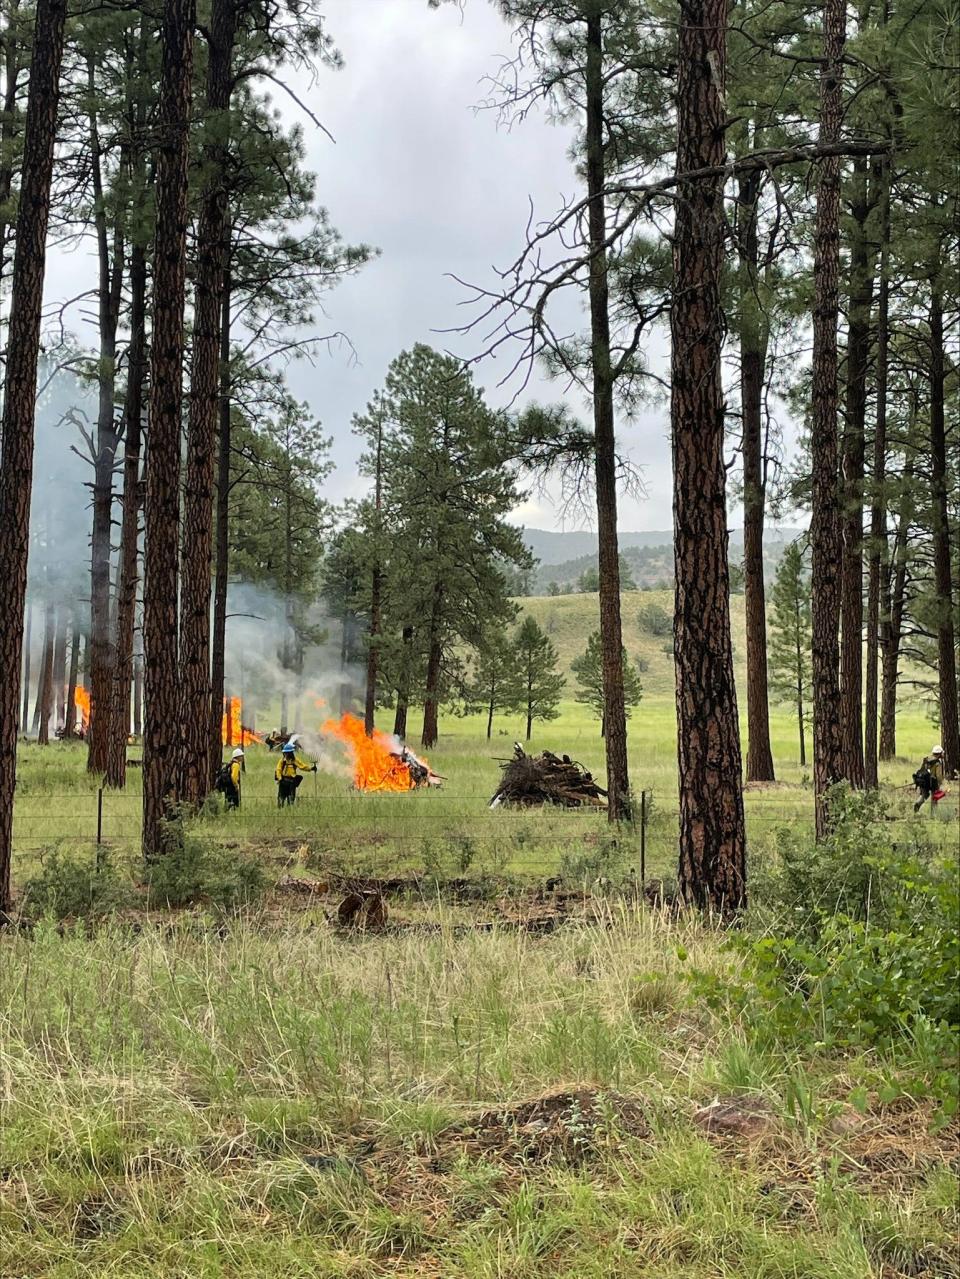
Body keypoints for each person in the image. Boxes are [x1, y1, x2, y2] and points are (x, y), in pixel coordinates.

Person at [276, 741, 316, 806]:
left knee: (291, 799)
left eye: (287, 753)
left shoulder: (295, 760)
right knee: (281, 799)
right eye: (285, 753)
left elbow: (302, 766)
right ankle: (280, 811)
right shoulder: (282, 761)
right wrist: (279, 778)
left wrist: (311, 769)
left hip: (292, 783)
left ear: (291, 753)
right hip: (283, 782)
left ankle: (290, 811)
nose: (285, 754)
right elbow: (278, 769)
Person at [913, 744, 946, 813]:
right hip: (932, 782)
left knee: (924, 795)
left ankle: (917, 805)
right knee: (934, 798)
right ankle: (934, 814)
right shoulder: (937, 763)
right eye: (942, 753)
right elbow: (938, 775)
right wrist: (940, 783)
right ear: (939, 754)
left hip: (923, 781)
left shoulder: (927, 759)